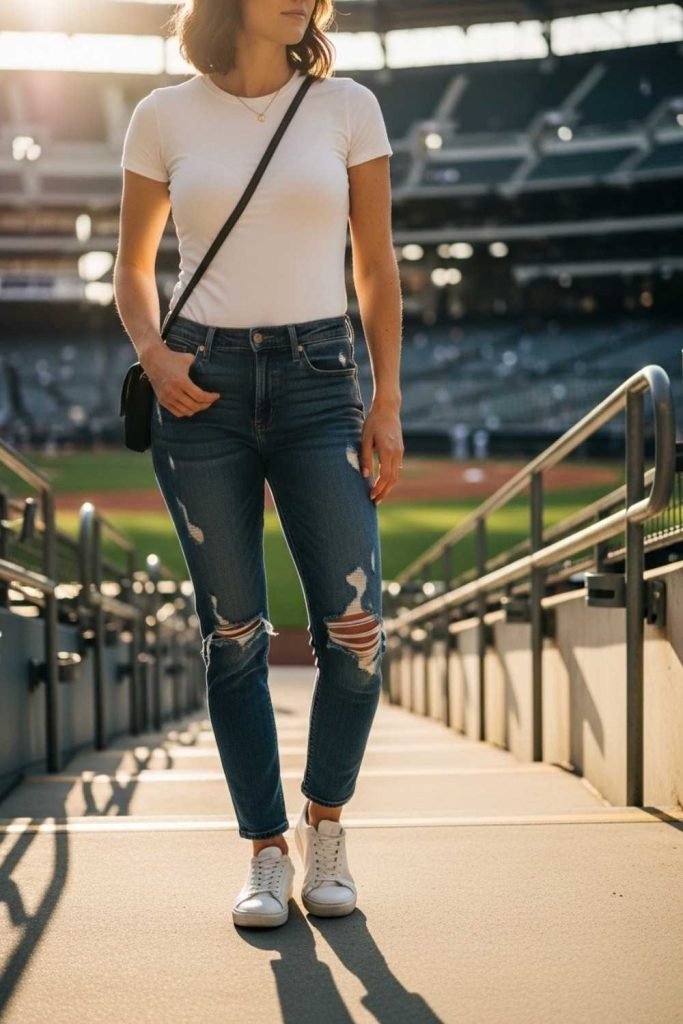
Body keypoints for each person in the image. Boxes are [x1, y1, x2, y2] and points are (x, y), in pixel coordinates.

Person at [114, 0, 403, 929]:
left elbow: (376, 263)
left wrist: (386, 397)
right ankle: (265, 850)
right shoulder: (163, 114)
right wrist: (154, 355)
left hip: (324, 378)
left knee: (356, 632)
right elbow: (130, 265)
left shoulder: (347, 106)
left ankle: (326, 824)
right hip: (202, 386)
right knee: (233, 634)